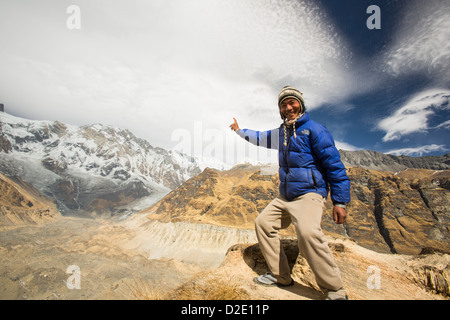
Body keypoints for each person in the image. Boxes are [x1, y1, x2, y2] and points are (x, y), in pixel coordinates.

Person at [229, 86, 350, 300]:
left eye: (292, 102)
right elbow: (259, 137)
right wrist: (239, 131)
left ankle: (334, 289)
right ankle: (281, 277)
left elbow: (334, 166)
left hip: (309, 194)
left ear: (300, 104)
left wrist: (339, 201)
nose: (288, 107)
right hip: (285, 196)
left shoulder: (315, 130)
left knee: (307, 233)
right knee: (263, 223)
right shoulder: (281, 133)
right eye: (283, 105)